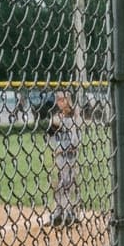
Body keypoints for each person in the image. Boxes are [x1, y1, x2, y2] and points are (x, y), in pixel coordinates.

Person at [45, 90, 81, 227]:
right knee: (58, 184)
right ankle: (58, 212)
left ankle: (69, 212)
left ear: (69, 100)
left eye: (64, 99)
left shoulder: (75, 117)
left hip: (71, 156)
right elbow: (50, 137)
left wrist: (65, 147)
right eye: (59, 100)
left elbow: (76, 141)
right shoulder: (55, 118)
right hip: (60, 157)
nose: (61, 102)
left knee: (69, 184)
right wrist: (55, 149)